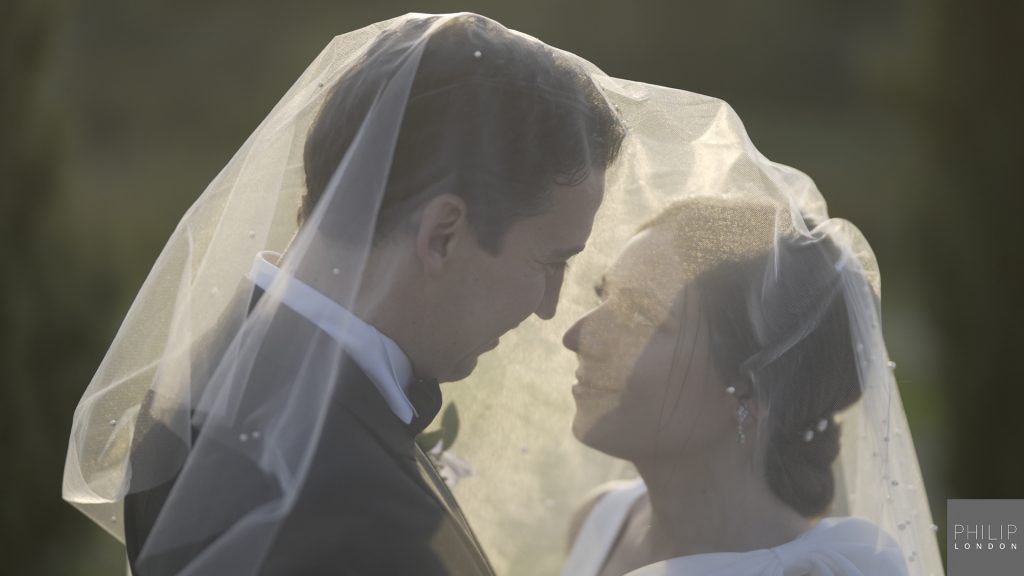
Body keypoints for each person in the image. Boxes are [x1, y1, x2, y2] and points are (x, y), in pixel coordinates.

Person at [63, 13, 623, 575]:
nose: (549, 306)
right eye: (551, 262)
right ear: (443, 234)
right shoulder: (357, 507)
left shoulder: (196, 390)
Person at [560, 196, 912, 575]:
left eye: (641, 315)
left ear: (750, 385)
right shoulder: (600, 522)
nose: (577, 336)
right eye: (604, 297)